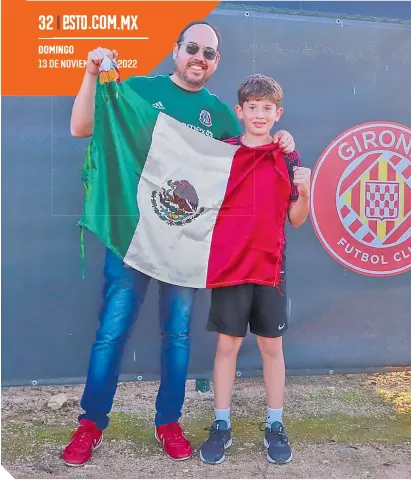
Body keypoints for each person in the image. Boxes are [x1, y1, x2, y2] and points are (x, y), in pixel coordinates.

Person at [62, 21, 297, 467]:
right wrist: (91, 73)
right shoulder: (138, 91)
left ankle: (168, 421)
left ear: (216, 63)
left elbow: (254, 150)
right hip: (132, 239)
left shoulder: (223, 116)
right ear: (176, 50)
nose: (199, 58)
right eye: (193, 48)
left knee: (177, 336)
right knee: (111, 334)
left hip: (187, 247)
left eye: (209, 54)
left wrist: (284, 143)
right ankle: (90, 425)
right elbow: (81, 126)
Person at [198, 74, 310, 466]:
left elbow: (296, 219)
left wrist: (306, 189)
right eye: (253, 107)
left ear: (277, 114)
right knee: (226, 346)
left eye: (267, 108)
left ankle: (275, 424)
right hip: (230, 267)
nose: (259, 114)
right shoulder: (222, 152)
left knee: (270, 347)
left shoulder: (288, 156)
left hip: (269, 267)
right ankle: (221, 423)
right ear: (239, 111)